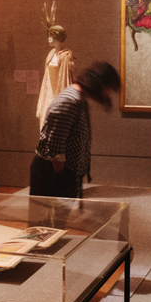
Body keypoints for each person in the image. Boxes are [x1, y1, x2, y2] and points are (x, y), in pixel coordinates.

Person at [30, 61, 121, 199]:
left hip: (61, 175)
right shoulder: (69, 100)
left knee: (57, 220)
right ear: (99, 83)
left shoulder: (79, 100)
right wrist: (63, 184)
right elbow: (54, 151)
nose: (107, 94)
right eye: (108, 88)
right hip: (52, 176)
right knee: (47, 220)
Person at [36, 3, 74, 129]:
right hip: (48, 92)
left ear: (58, 38)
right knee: (44, 122)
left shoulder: (65, 56)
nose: (49, 39)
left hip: (58, 93)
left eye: (52, 36)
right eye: (49, 36)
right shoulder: (51, 54)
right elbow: (47, 77)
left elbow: (65, 80)